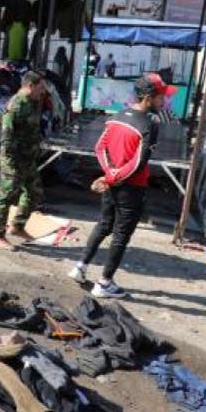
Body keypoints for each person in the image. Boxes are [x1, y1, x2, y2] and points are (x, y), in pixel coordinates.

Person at [68, 72, 173, 298]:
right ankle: (104, 283)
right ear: (148, 98)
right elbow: (139, 161)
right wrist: (113, 177)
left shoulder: (117, 116)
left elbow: (100, 148)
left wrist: (109, 174)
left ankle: (80, 267)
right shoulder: (150, 124)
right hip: (132, 187)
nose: (164, 101)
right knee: (121, 235)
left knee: (104, 224)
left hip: (113, 181)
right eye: (161, 96)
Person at [0, 71, 47, 251]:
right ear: (30, 86)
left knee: (34, 192)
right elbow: (6, 136)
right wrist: (11, 162)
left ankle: (17, 226)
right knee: (6, 195)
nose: (43, 92)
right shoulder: (16, 105)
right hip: (13, 159)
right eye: (40, 88)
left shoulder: (33, 102)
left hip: (28, 158)